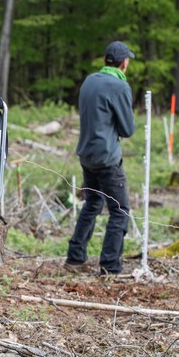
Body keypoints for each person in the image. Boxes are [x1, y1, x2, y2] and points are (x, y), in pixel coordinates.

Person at [65, 41, 136, 277]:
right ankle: (110, 266)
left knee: (93, 204)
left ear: (106, 60)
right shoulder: (119, 86)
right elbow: (127, 129)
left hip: (86, 155)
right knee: (120, 210)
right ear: (124, 62)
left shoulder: (90, 81)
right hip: (108, 158)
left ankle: (75, 258)